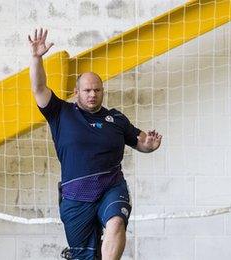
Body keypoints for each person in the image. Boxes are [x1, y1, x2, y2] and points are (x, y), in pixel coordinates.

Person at [28, 28, 162, 260]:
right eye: (87, 90)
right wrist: (37, 58)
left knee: (116, 221)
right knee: (84, 256)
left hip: (111, 186)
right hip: (76, 194)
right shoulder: (60, 112)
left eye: (97, 90)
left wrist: (149, 145)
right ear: (76, 91)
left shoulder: (116, 119)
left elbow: (140, 142)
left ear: (102, 91)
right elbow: (39, 88)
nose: (92, 94)